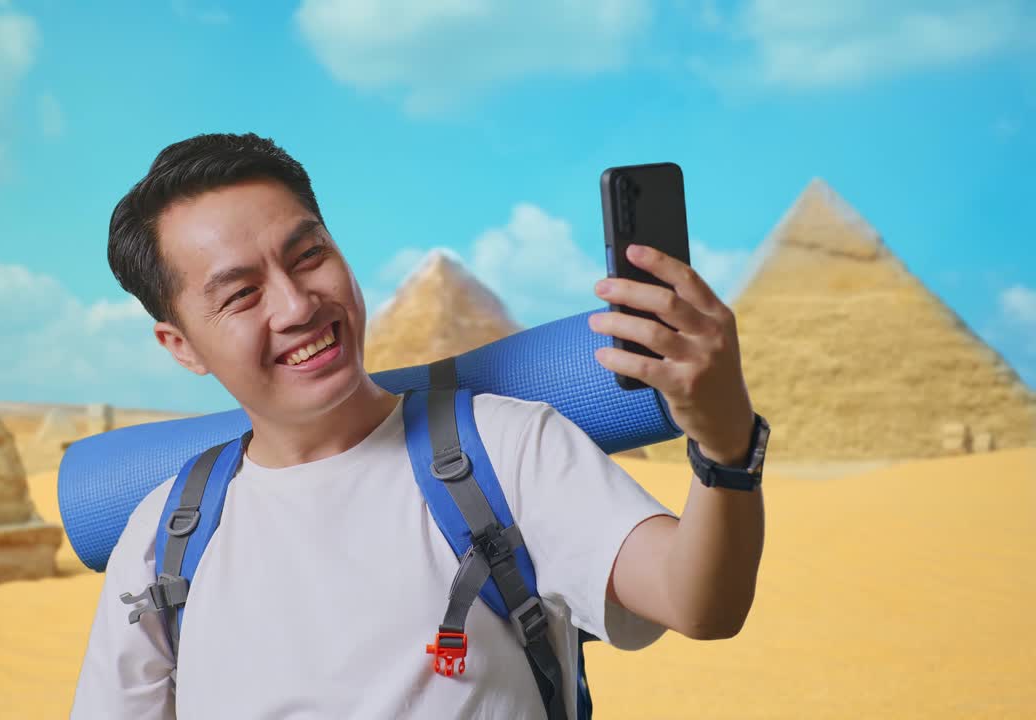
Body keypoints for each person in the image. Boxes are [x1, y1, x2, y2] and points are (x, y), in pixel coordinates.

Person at [71, 132, 766, 718]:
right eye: (242, 293)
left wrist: (725, 443)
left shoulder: (507, 446)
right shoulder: (163, 536)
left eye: (309, 255)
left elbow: (696, 599)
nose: (296, 305)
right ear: (180, 345)